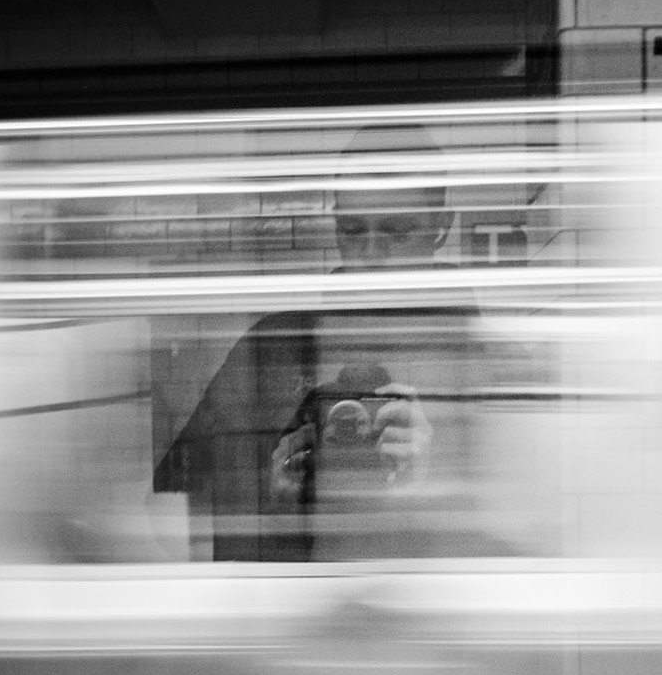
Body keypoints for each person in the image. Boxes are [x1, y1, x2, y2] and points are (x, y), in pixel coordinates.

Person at [153, 126, 473, 561]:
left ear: (442, 227)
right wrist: (270, 501)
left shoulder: (477, 354)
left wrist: (437, 492)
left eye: (398, 232)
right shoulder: (274, 349)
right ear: (335, 224)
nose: (372, 256)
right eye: (354, 231)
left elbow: (523, 530)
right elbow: (178, 496)